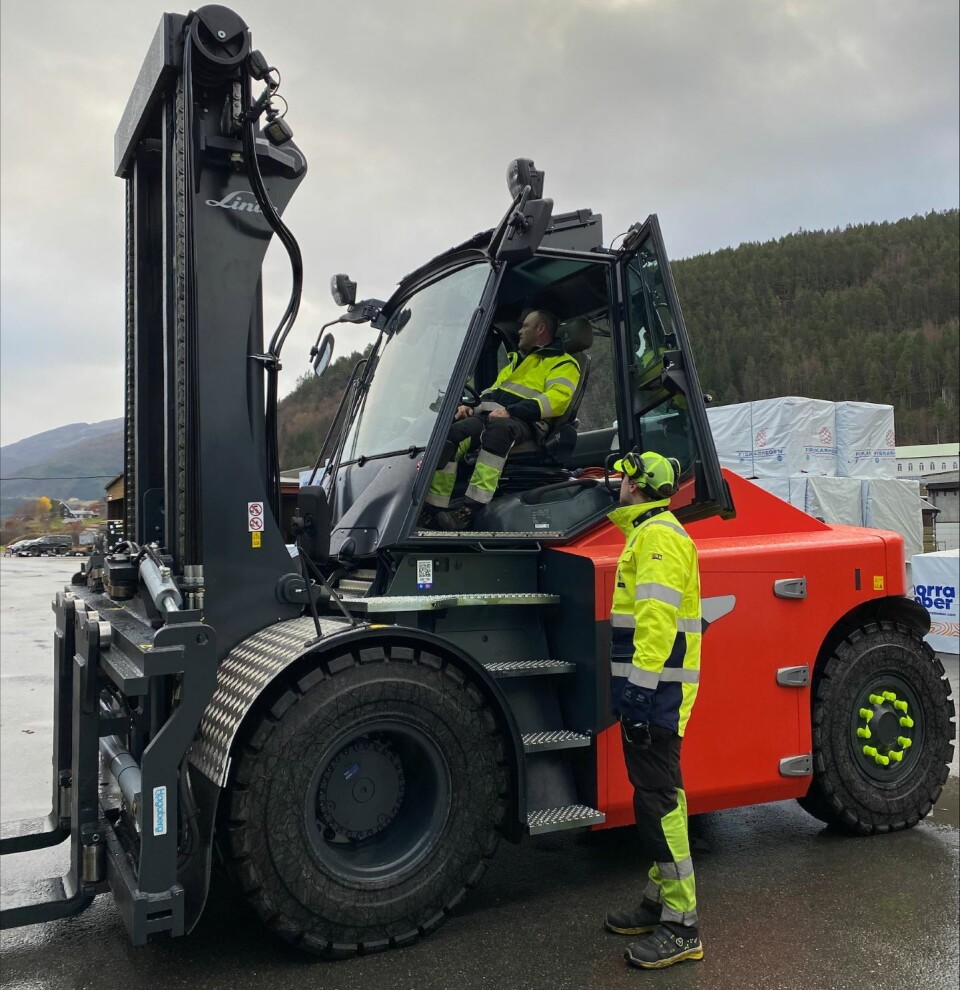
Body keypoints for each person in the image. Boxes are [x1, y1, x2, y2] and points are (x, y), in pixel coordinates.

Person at [602, 449, 704, 970]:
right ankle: (657, 901)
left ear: (638, 485)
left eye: (623, 476)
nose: (617, 483)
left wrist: (640, 694)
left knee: (658, 803)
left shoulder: (657, 537)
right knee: (656, 798)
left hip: (657, 694)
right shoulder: (648, 533)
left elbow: (656, 622)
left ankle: (682, 926)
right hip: (652, 691)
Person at [421, 309, 580, 530]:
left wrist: (512, 412)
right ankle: (433, 510)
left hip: (529, 423)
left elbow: (556, 400)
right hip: (498, 417)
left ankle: (470, 510)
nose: (520, 331)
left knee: (499, 430)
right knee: (453, 433)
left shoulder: (563, 363)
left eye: (525, 326)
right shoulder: (516, 363)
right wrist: (470, 409)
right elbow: (491, 394)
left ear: (540, 329)